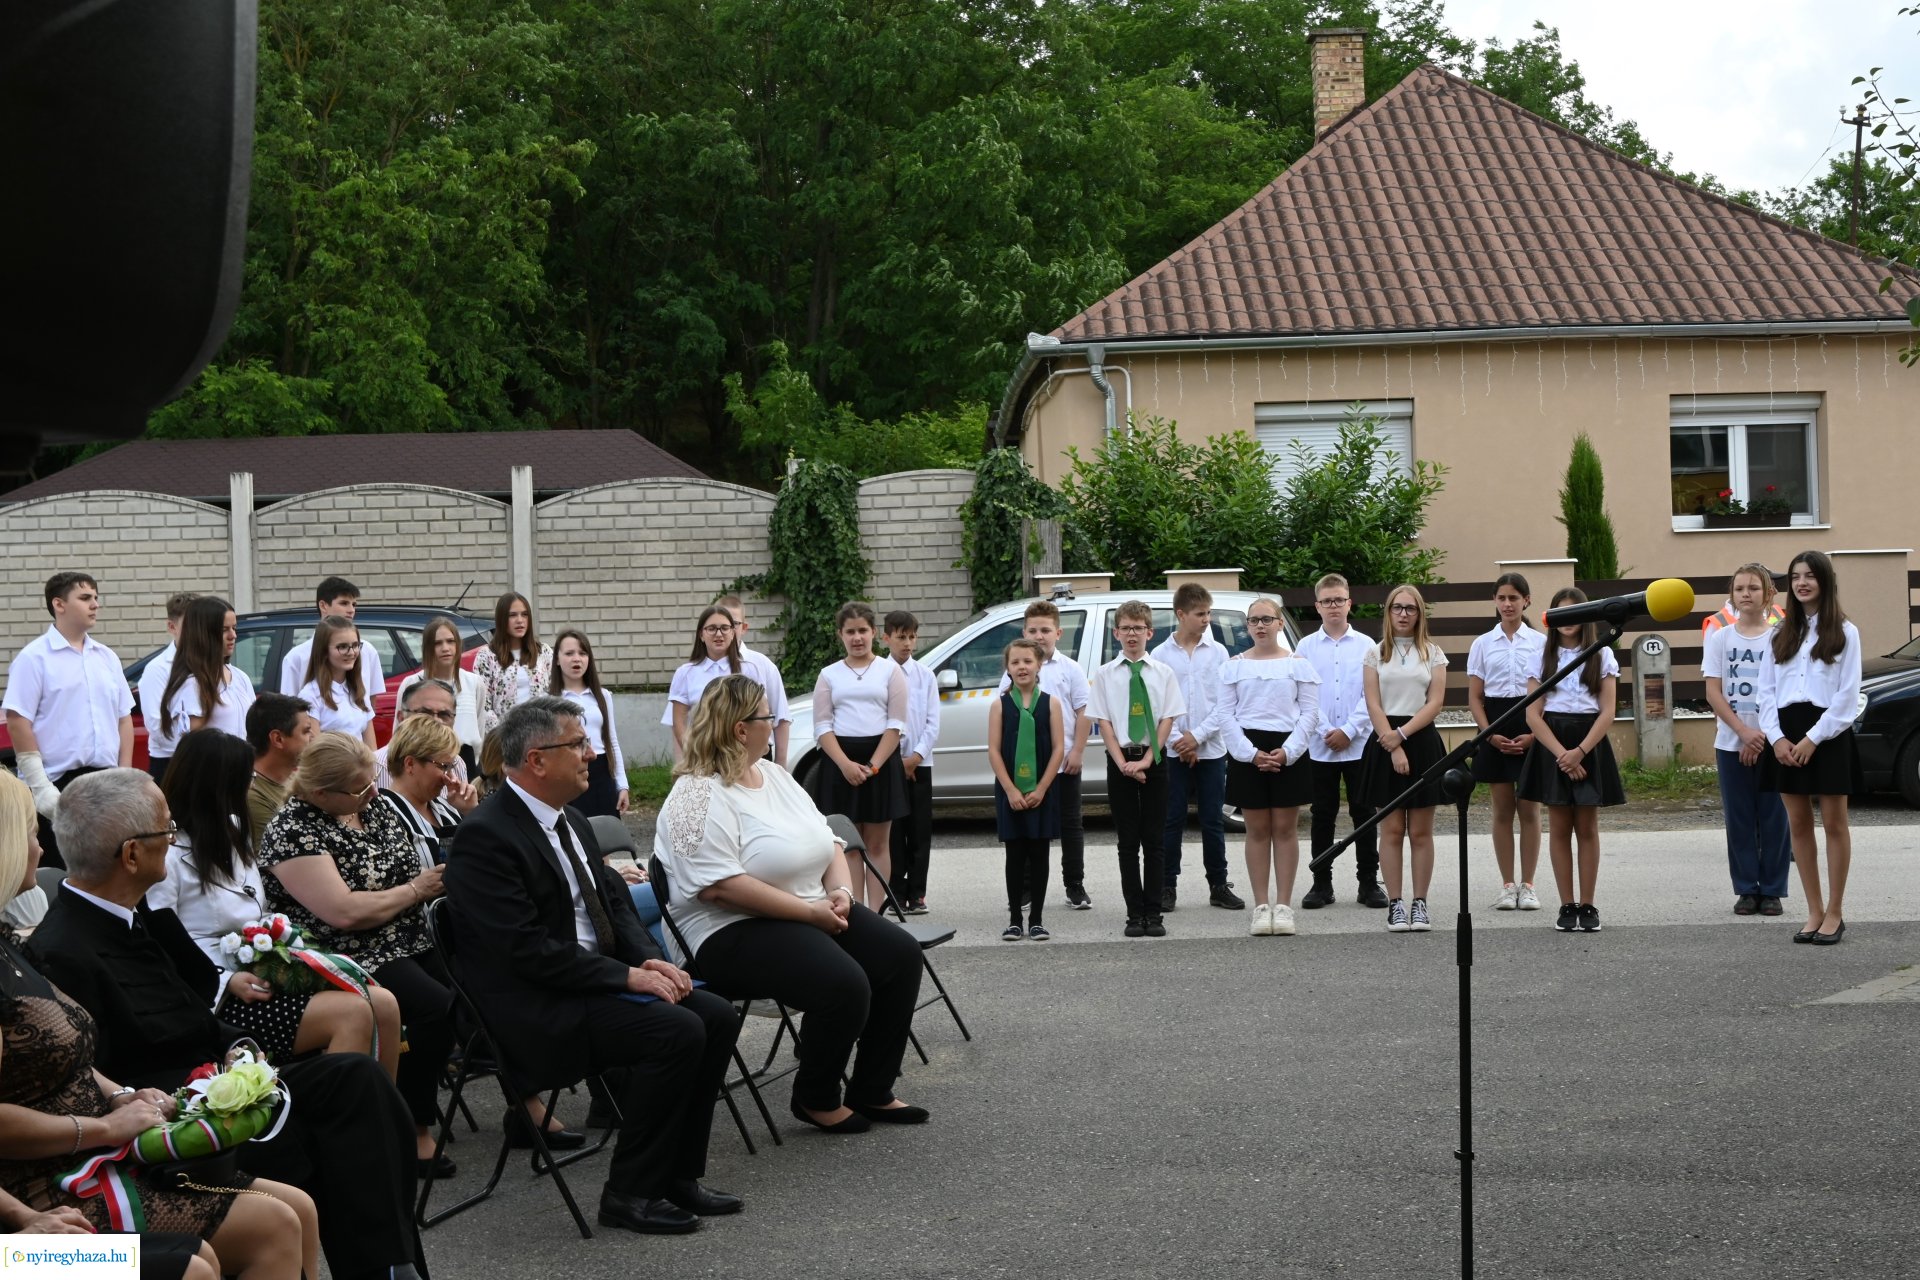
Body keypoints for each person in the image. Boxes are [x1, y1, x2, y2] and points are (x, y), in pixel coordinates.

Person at [28, 769, 429, 1280]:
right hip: (174, 1124)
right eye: (166, 833)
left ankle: (393, 1267)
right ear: (131, 855)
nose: (173, 844)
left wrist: (239, 1046)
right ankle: (383, 1267)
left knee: (357, 1079)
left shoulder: (135, 916)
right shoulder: (61, 951)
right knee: (341, 1132)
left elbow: (197, 1015)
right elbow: (97, 1075)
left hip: (217, 1088)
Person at [446, 697, 743, 1235]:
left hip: (588, 984)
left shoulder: (573, 820)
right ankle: (630, 1192)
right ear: (537, 760)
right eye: (578, 744)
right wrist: (627, 977)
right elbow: (523, 952)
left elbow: (615, 908)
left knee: (716, 1016)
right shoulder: (486, 837)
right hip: (535, 1007)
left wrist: (648, 959)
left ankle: (677, 1174)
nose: (591, 753)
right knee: (674, 1032)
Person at [0, 789, 320, 1280]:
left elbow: (73, 1058)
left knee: (290, 1209)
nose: (43, 849)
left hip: (75, 1166)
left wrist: (123, 1097)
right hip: (33, 1202)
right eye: (28, 833)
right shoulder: (50, 945)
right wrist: (101, 1134)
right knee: (200, 1263)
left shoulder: (9, 946)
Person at [658, 677, 925, 1132]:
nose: (776, 723)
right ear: (741, 729)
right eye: (768, 717)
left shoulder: (776, 776)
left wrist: (841, 893)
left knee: (899, 956)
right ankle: (815, 1096)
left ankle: (872, 1089)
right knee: (844, 982)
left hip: (811, 907)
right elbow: (718, 887)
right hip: (727, 928)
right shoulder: (695, 794)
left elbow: (830, 841)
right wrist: (810, 913)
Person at [257, 732, 458, 1172]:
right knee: (434, 1010)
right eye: (359, 787)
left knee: (478, 992)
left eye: (372, 781)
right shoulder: (294, 829)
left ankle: (524, 1105)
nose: (372, 792)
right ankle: (410, 1128)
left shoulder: (376, 805)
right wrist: (415, 890)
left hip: (408, 935)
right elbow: (343, 913)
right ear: (318, 792)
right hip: (349, 953)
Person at [150, 728, 401, 1078]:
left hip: (263, 969)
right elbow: (163, 943)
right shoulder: (167, 854)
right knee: (353, 1013)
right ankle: (340, 1122)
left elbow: (258, 908)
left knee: (384, 1004)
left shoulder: (232, 828)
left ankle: (385, 1122)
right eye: (244, 779)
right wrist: (225, 979)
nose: (250, 787)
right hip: (215, 995)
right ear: (218, 787)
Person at [1758, 550, 1864, 946]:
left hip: (1828, 735)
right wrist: (1777, 739)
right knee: (1798, 826)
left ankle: (1835, 911)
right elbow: (1766, 695)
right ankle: (1814, 910)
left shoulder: (1845, 631)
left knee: (1835, 824)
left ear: (1824, 581)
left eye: (1810, 576)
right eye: (1796, 576)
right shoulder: (1779, 633)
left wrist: (1813, 739)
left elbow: (1847, 696)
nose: (1802, 583)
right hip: (1786, 735)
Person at [4, 572, 135, 869]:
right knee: (61, 874)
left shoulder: (106, 657)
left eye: (96, 598)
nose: (95, 605)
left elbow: (124, 718)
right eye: (85, 598)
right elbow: (17, 719)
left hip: (105, 782)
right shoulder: (34, 658)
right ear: (59, 604)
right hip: (57, 785)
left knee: (108, 870)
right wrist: (40, 786)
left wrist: (124, 773)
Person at [1518, 587, 1626, 934]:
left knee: (1587, 827)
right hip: (1553, 742)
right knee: (1560, 827)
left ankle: (1588, 905)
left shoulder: (1602, 654)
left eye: (1575, 613)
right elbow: (1533, 714)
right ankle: (1567, 904)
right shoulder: (1540, 655)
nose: (1568, 621)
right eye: (1561, 614)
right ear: (1553, 618)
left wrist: (1580, 751)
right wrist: (1561, 754)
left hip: (1589, 740)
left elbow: (1608, 711)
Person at [1219, 597, 1319, 937]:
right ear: (1247, 626)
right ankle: (1262, 907)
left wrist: (1288, 751)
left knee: (1286, 830)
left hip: (1288, 749)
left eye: (1266, 619)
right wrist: (1249, 753)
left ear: (1279, 623)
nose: (1260, 626)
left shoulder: (1298, 664)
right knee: (1257, 830)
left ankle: (1284, 906)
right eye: (1253, 620)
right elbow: (1225, 715)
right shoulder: (1234, 665)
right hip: (1249, 751)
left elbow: (1309, 713)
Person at [1089, 600, 1185, 939]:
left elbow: (1167, 719)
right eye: (1126, 628)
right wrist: (1123, 764)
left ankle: (1154, 912)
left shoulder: (1163, 673)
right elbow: (1103, 722)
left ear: (1150, 632)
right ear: (1116, 633)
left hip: (1153, 759)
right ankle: (1134, 914)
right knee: (1127, 842)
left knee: (1154, 840)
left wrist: (1146, 761)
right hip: (1120, 760)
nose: (1132, 634)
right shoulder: (1103, 675)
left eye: (1138, 628)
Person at [807, 603, 910, 910]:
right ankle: (857, 908)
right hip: (841, 765)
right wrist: (845, 765)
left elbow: (896, 724)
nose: (857, 637)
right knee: (849, 845)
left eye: (862, 630)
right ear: (841, 634)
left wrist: (874, 766)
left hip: (881, 762)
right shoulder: (828, 675)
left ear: (874, 633)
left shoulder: (890, 671)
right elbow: (822, 726)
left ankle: (877, 911)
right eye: (850, 631)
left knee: (878, 844)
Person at [1704, 563, 1792, 918]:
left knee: (1775, 816)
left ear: (1768, 594)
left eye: (1754, 588)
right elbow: (1713, 691)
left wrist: (1765, 738)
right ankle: (1746, 889)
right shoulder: (1720, 638)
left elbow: (1786, 692)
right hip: (1731, 742)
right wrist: (1742, 733)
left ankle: (1772, 890)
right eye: (1740, 588)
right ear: (1731, 595)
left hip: (1774, 742)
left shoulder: (1781, 637)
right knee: (1739, 817)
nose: (1746, 594)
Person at [1295, 574, 1387, 909]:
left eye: (1339, 600)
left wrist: (1348, 729)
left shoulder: (1367, 646)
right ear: (1317, 606)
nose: (1333, 606)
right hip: (1320, 746)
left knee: (1364, 813)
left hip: (1359, 743)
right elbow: (1304, 694)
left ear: (1349, 603)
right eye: (1327, 601)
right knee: (1322, 815)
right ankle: (1321, 883)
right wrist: (1325, 730)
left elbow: (1372, 694)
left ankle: (1368, 883)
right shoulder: (1305, 648)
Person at [1361, 585, 1449, 934]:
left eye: (1410, 608)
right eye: (1397, 608)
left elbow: (1435, 703)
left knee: (1421, 832)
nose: (1403, 614)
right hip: (1385, 743)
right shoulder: (1375, 653)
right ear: (1388, 612)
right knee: (1392, 829)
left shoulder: (1434, 653)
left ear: (1419, 613)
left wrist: (1404, 735)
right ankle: (1396, 903)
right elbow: (1373, 703)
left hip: (1422, 741)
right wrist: (1393, 744)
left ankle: (1420, 903)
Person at [1151, 585, 1243, 914]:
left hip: (1211, 749)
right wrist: (1180, 739)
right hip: (1175, 751)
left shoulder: (1218, 653)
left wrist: (1198, 737)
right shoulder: (1160, 655)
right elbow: (1159, 703)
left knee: (1212, 820)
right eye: (1200, 614)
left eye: (1208, 613)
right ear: (1181, 615)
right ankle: (1166, 885)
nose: (1207, 619)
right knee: (1172, 819)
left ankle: (1219, 884)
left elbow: (1224, 704)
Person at [995, 601, 1092, 910]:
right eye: (1033, 630)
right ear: (1024, 632)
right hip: (1026, 768)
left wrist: (1077, 750)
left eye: (1045, 630)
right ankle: (1024, 890)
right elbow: (1005, 714)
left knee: (1070, 824)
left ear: (1058, 633)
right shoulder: (1014, 671)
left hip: (1061, 765)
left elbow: (1083, 712)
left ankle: (1074, 885)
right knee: (1028, 829)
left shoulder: (1071, 669)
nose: (1039, 636)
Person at [1466, 573, 1547, 912]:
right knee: (1502, 809)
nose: (1508, 604)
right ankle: (1507, 884)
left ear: (1526, 600)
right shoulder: (1483, 644)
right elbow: (1474, 697)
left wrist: (1535, 733)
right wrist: (1488, 735)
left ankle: (1528, 885)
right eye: (1502, 598)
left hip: (1531, 721)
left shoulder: (1541, 643)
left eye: (1514, 597)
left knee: (1529, 808)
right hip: (1495, 723)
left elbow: (1547, 693)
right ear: (1495, 601)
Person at [989, 640, 1064, 940]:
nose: (1021, 667)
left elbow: (1059, 748)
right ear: (1007, 668)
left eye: (1027, 661)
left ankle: (1037, 918)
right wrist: (1010, 790)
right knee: (1015, 856)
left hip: (1042, 791)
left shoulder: (1051, 703)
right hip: (1011, 792)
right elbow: (994, 750)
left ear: (1039, 665)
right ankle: (1014, 918)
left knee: (1040, 854)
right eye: (1015, 662)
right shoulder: (999, 705)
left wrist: (1043, 788)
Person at [883, 611, 940, 914]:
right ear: (887, 638)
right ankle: (896, 891)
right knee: (893, 832)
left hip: (920, 764)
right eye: (900, 637)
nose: (907, 643)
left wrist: (915, 757)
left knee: (919, 831)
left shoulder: (925, 675)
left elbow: (932, 722)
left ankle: (917, 892)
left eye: (911, 637)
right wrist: (896, 760)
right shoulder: (880, 673)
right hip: (890, 763)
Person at [158, 596, 255, 751]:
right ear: (203, 633)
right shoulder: (192, 684)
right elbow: (193, 748)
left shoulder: (240, 677)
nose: (233, 636)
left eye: (234, 628)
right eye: (224, 630)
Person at [550, 629, 629, 818]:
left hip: (601, 773)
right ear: (557, 660)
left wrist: (622, 785)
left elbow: (612, 741)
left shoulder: (603, 696)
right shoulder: (550, 700)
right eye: (569, 653)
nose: (576, 659)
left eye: (582, 653)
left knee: (605, 839)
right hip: (568, 774)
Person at [378, 715, 468, 872]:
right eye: (443, 766)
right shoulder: (380, 812)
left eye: (450, 767)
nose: (448, 776)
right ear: (410, 764)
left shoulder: (446, 808)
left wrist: (470, 811)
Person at [395, 615, 485, 771]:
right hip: (423, 762)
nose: (445, 648)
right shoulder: (411, 683)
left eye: (450, 641)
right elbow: (399, 733)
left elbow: (480, 729)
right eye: (438, 643)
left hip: (466, 762)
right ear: (428, 648)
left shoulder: (474, 683)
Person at [713, 595, 792, 767]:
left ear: (744, 627)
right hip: (715, 755)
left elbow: (781, 717)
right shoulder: (701, 668)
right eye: (721, 624)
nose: (727, 630)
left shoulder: (762, 665)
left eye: (733, 624)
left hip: (758, 755)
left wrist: (781, 765)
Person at [277, 576, 385, 699]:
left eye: (354, 605)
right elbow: (291, 708)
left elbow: (371, 700)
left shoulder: (367, 650)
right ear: (323, 606)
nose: (351, 610)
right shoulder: (296, 657)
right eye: (344, 603)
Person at [373, 678, 475, 799]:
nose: (436, 721)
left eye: (444, 714)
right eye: (424, 713)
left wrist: (467, 812)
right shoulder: (374, 766)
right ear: (401, 718)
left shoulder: (457, 763)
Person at [136, 591, 200, 781]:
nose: (198, 631)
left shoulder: (213, 664)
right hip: (174, 764)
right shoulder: (157, 669)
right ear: (172, 627)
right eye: (191, 625)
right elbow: (158, 730)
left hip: (209, 762)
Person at [244, 693, 317, 846]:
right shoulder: (252, 796)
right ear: (278, 739)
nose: (313, 737)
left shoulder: (301, 778)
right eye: (306, 731)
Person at [294, 615, 377, 749]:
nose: (351, 652)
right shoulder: (310, 695)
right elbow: (315, 753)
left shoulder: (358, 690)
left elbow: (373, 751)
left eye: (355, 645)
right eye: (342, 647)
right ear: (324, 651)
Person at [473, 592, 550, 733]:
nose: (520, 620)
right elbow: (483, 704)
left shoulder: (544, 652)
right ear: (502, 619)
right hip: (504, 737)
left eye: (524, 614)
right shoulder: (487, 655)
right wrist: (504, 733)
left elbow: (555, 693)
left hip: (541, 734)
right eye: (512, 615)